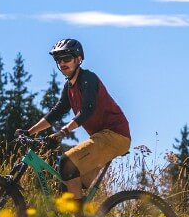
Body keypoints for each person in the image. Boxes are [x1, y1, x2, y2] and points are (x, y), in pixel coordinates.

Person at [18, 39, 131, 203]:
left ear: (78, 59)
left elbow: (88, 109)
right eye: (59, 60)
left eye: (67, 58)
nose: (62, 63)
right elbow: (56, 112)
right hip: (101, 138)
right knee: (66, 180)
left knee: (66, 163)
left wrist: (63, 131)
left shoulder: (88, 79)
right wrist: (29, 132)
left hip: (114, 135)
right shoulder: (69, 87)